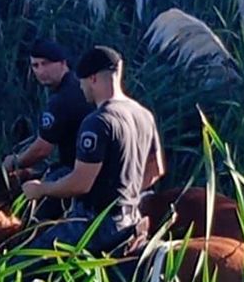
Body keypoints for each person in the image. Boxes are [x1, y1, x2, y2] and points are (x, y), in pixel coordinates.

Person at [14, 45, 165, 269]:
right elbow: (156, 170)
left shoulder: (98, 121)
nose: (81, 87)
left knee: (18, 266)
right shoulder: (143, 114)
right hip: (132, 218)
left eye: (82, 81)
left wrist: (41, 189)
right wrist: (124, 194)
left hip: (94, 224)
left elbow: (80, 183)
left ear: (93, 78)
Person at [4, 38, 94, 221]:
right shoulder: (78, 87)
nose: (40, 71)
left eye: (45, 64)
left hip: (75, 171)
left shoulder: (61, 100)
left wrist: (15, 162)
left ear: (62, 63)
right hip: (90, 168)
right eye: (35, 66)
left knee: (29, 216)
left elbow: (42, 149)